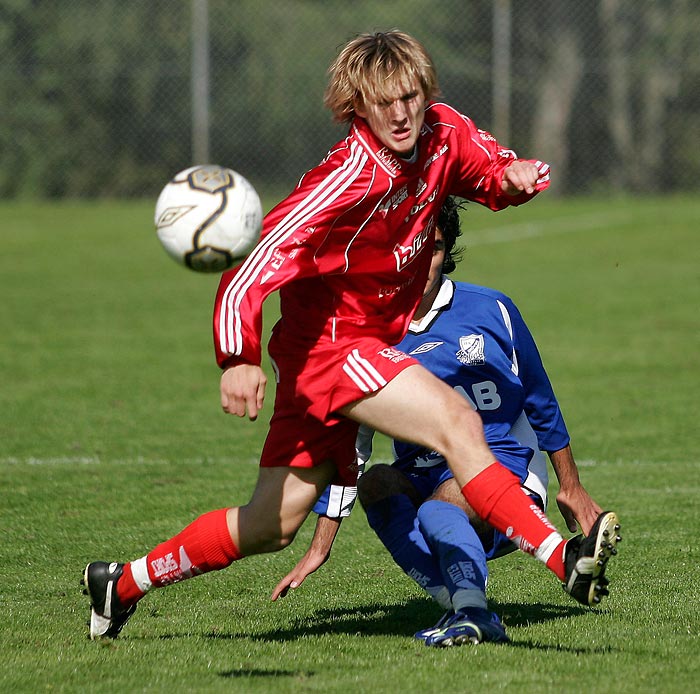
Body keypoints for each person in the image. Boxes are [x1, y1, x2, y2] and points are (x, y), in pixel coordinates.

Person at [82, 30, 619, 640]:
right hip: (330, 352)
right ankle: (562, 558)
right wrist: (237, 356)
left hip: (347, 353)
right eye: (383, 101)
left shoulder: (442, 134)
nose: (400, 113)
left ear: (425, 93)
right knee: (457, 422)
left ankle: (119, 582)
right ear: (356, 106)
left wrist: (511, 178)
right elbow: (252, 268)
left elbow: (486, 173)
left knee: (271, 523)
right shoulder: (346, 179)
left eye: (410, 96)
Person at [271, 198, 619, 645]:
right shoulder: (371, 331)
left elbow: (540, 400)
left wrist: (570, 486)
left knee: (442, 505)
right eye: (410, 247)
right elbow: (352, 444)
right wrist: (321, 545)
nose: (421, 261)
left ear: (447, 249)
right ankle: (459, 602)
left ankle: (475, 609)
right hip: (427, 468)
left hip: (504, 463)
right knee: (379, 484)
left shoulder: (494, 311)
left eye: (432, 248)